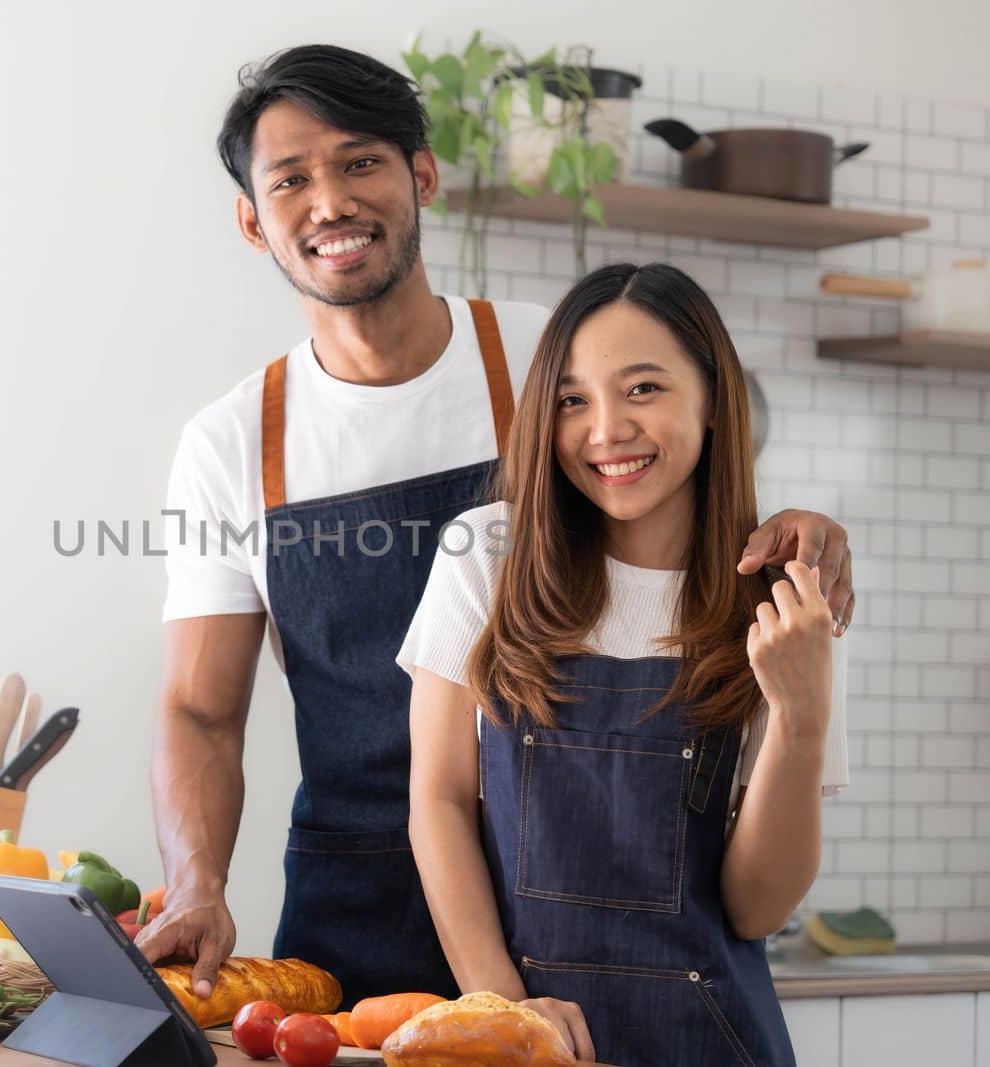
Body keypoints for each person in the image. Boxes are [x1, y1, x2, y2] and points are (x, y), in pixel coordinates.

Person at [138, 44, 857, 1010]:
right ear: (251, 220)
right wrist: (196, 880)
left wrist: (797, 529)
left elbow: (675, 486)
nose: (331, 202)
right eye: (290, 179)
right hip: (354, 908)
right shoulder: (231, 444)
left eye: (361, 162)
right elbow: (199, 709)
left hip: (563, 898)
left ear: (421, 173)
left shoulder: (545, 361)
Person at [400, 262, 848, 1064]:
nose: (605, 429)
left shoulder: (783, 605)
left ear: (713, 400)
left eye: (643, 389)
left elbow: (754, 908)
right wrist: (503, 1007)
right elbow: (436, 799)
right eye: (573, 399)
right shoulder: (485, 555)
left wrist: (802, 717)